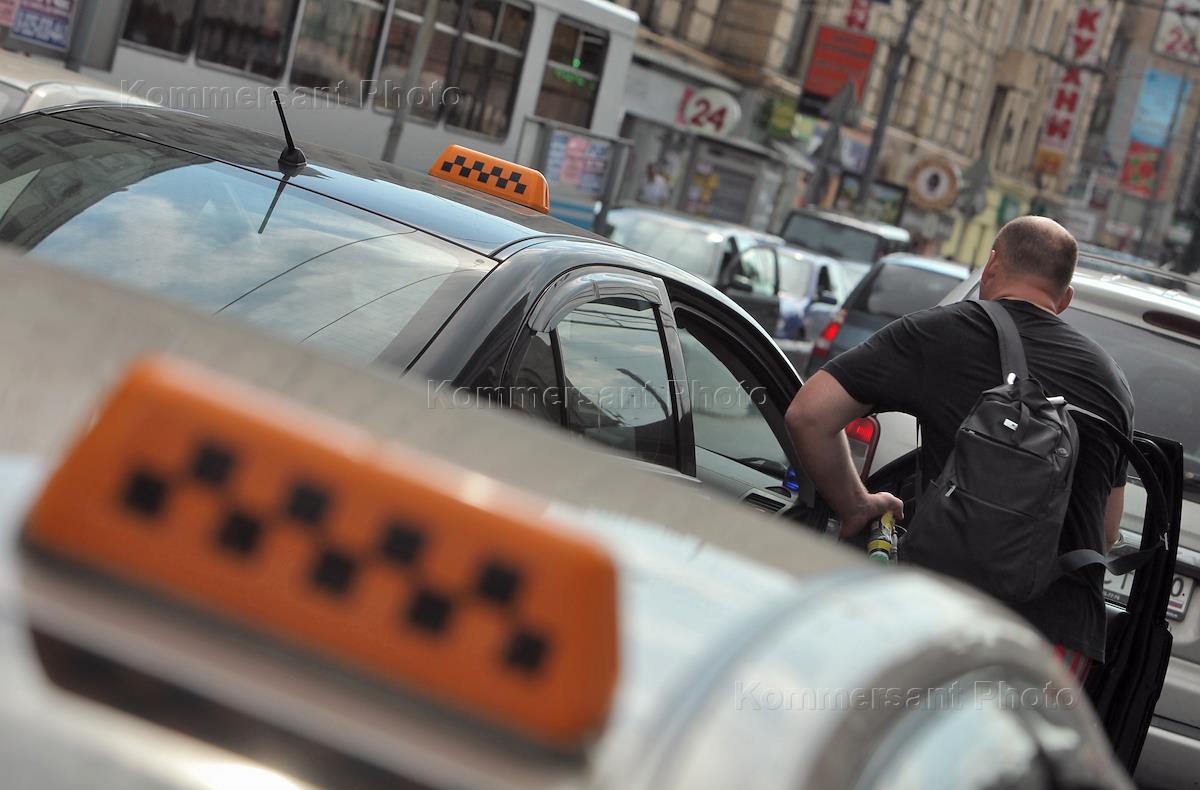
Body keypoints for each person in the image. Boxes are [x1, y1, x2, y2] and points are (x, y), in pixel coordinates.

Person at [784, 216, 1134, 681]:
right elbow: (1106, 531)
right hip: (1053, 641)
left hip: (941, 613)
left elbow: (809, 415)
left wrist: (856, 505)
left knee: (904, 729)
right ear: (1065, 298)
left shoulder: (937, 333)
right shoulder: (1111, 379)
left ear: (991, 266)